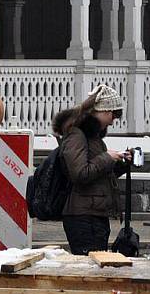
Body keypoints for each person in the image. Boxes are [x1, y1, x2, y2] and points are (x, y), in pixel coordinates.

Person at [52, 84, 130, 256]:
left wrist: (121, 163)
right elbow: (80, 173)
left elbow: (98, 175)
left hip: (93, 212)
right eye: (113, 114)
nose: (113, 120)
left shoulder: (92, 137)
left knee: (95, 267)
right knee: (89, 266)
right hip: (82, 216)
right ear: (103, 111)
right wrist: (107, 157)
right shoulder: (76, 135)